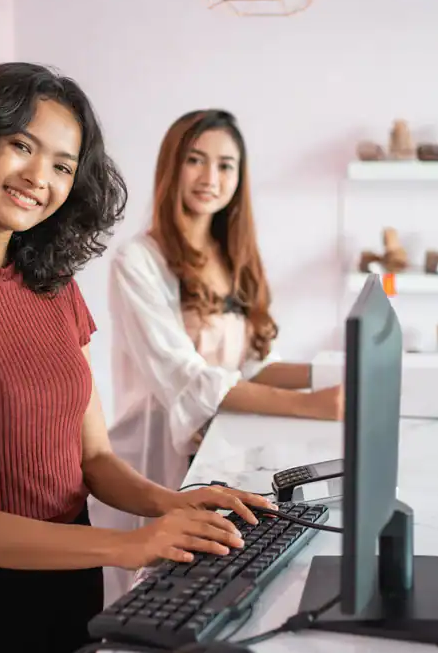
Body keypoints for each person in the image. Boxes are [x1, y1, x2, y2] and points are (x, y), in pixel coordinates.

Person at [0, 65, 272, 653]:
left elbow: (96, 458)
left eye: (62, 164)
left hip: (73, 598)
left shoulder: (56, 288)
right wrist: (129, 546)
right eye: (21, 146)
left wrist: (173, 503)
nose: (39, 177)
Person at [91, 108, 343, 602]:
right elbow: (188, 378)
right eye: (196, 160)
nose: (211, 178)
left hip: (216, 452)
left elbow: (248, 370)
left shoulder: (234, 258)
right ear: (172, 167)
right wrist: (313, 403)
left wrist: (332, 374)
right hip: (154, 462)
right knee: (152, 594)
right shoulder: (137, 261)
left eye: (226, 165)